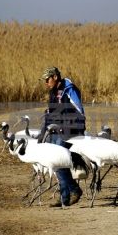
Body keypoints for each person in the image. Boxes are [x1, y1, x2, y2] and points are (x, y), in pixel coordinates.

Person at [39, 66, 86, 208]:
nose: (46, 83)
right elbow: (50, 113)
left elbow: (79, 111)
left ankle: (74, 190)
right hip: (56, 130)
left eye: (47, 79)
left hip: (71, 130)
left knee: (58, 161)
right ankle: (64, 198)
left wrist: (65, 125)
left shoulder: (70, 89)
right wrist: (43, 133)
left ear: (55, 77)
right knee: (55, 162)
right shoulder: (53, 92)